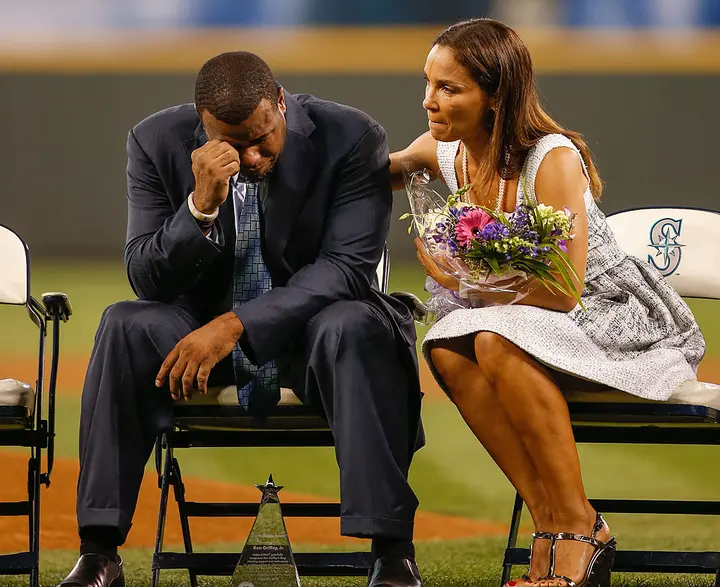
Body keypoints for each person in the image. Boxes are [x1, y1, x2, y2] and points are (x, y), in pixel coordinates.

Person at [57, 51, 423, 587]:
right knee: (124, 324)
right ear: (202, 125)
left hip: (314, 335)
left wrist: (236, 326)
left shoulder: (350, 136)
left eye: (261, 137)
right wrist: (199, 208)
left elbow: (346, 270)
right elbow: (147, 280)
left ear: (280, 103)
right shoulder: (155, 140)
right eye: (232, 142)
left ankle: (392, 553)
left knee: (355, 324)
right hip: (198, 332)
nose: (251, 156)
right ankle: (99, 553)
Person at [390, 18, 705, 587]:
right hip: (528, 320)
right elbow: (379, 170)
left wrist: (465, 285)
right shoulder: (449, 150)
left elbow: (563, 292)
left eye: (449, 88)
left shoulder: (551, 158)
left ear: (495, 97)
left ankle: (578, 525)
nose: (428, 100)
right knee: (445, 346)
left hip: (610, 319)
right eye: (428, 83)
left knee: (491, 337)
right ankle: (554, 522)